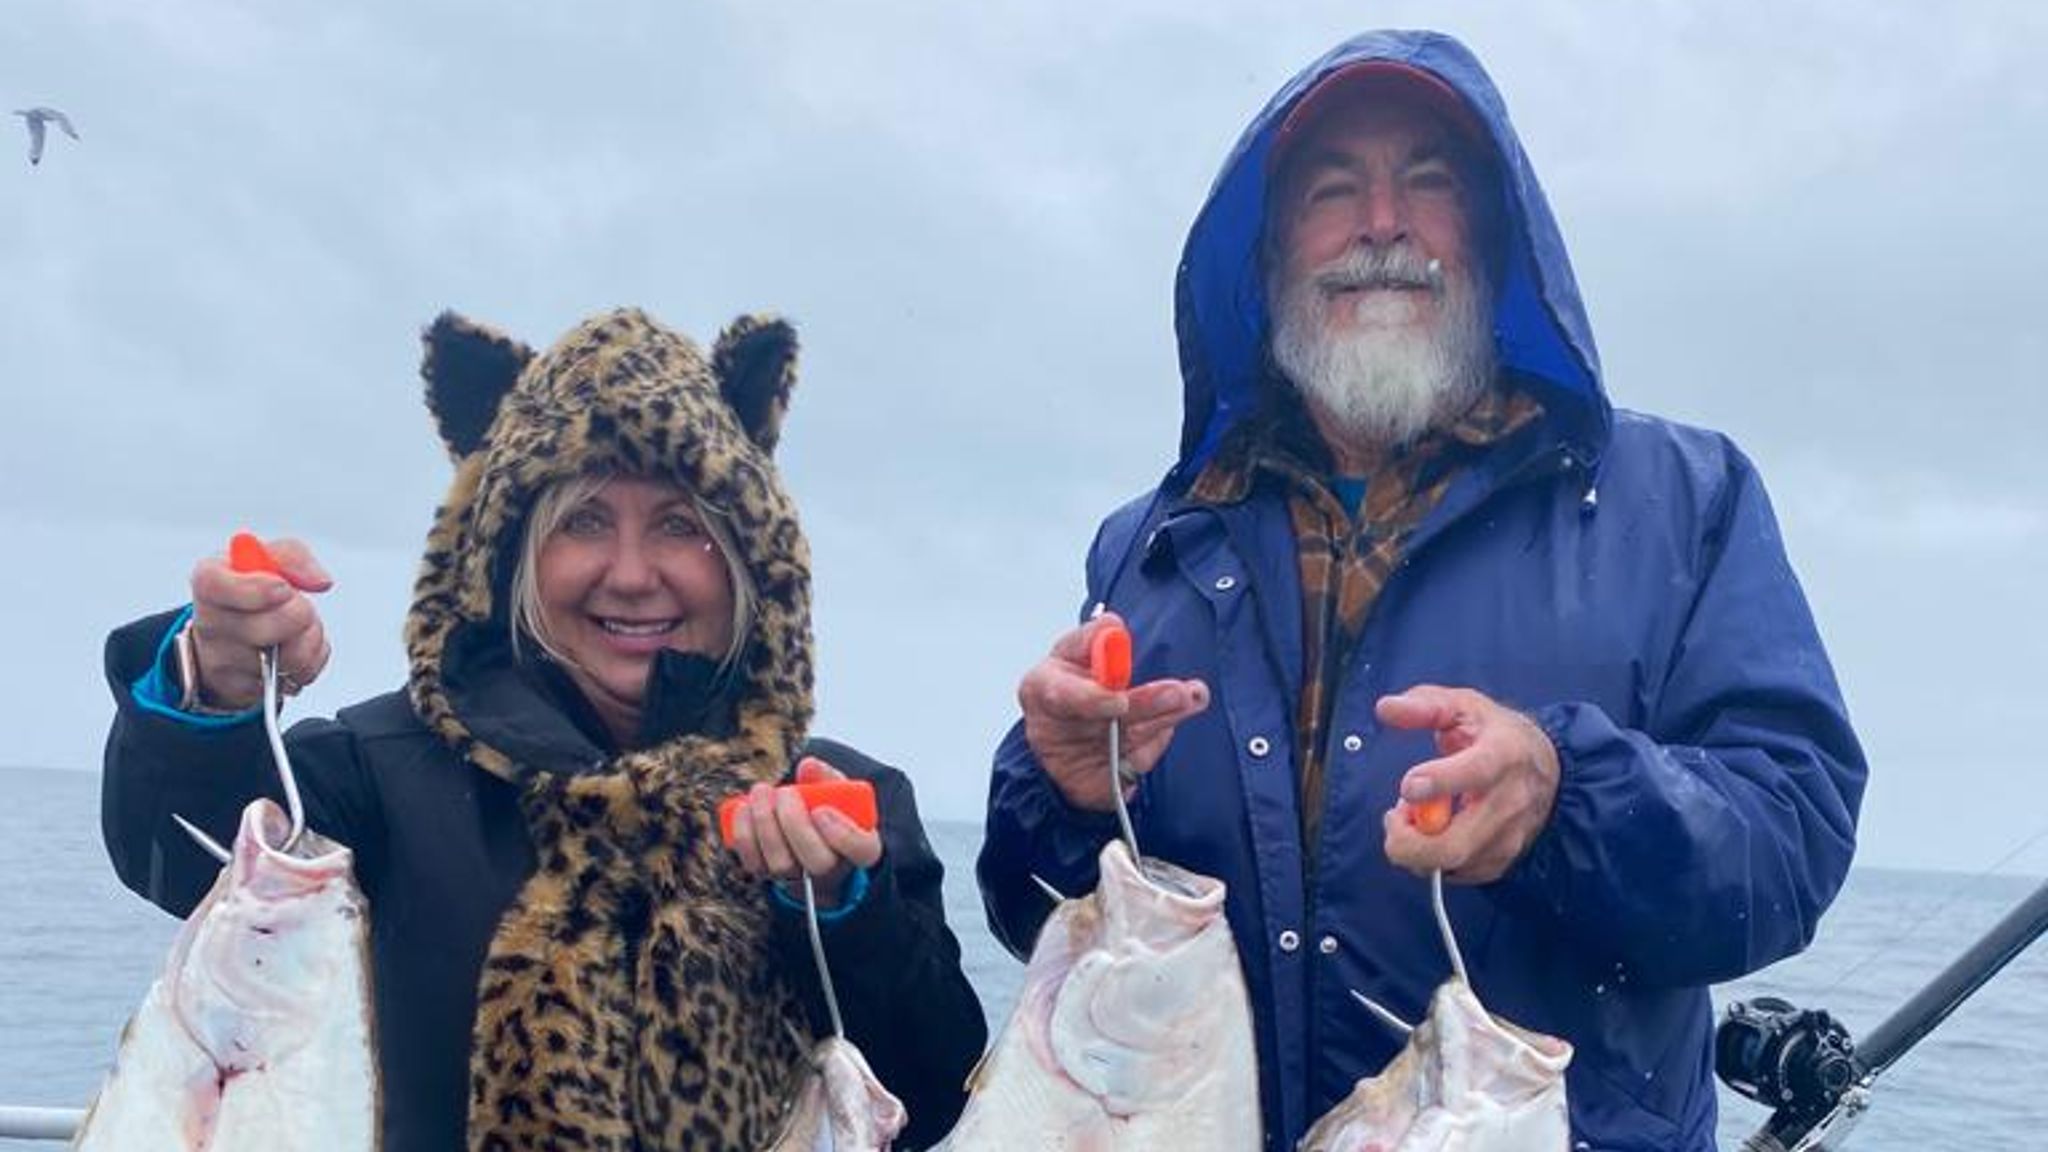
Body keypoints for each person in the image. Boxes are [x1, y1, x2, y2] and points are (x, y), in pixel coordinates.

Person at [979, 28, 1866, 1152]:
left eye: (1429, 182)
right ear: (1262, 261)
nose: (1380, 225)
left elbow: (1788, 845)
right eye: (1330, 189)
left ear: (1496, 240)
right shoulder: (1150, 543)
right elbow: (1031, 917)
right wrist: (1061, 798)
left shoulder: (1684, 499)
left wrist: (1563, 800)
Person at [101, 307, 986, 1151]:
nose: (632, 575)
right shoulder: (375, 774)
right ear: (510, 553)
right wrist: (213, 688)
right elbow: (173, 858)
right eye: (584, 522)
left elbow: (933, 1089)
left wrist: (837, 909)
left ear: (750, 561)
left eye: (681, 525)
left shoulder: (837, 806)